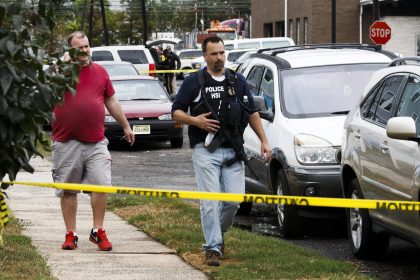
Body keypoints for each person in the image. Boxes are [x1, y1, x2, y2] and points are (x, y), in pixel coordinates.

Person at [171, 36, 271, 266]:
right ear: (205, 56)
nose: (219, 58)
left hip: (233, 150)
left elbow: (252, 112)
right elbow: (176, 113)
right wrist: (195, 121)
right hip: (205, 150)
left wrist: (264, 141)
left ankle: (217, 233)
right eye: (214, 54)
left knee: (234, 201)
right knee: (210, 201)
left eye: (222, 53)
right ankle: (213, 248)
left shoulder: (238, 81)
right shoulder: (194, 82)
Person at [52, 31, 135, 251]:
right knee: (68, 190)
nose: (85, 52)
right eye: (79, 48)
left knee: (102, 185)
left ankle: (97, 231)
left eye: (87, 47)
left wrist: (126, 125)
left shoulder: (100, 72)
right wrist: (62, 64)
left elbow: (111, 101)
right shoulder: (59, 74)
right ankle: (71, 234)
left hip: (96, 141)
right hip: (65, 141)